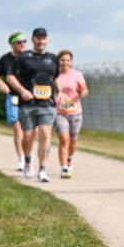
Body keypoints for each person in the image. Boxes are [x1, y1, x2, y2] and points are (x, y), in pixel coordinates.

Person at [6, 28, 59, 183]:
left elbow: (56, 79)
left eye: (43, 38)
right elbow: (10, 77)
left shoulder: (53, 58)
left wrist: (60, 92)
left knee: (45, 134)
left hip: (48, 104)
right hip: (27, 103)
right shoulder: (23, 57)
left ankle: (43, 169)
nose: (41, 41)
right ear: (33, 40)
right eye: (38, 38)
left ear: (47, 40)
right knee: (28, 136)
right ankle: (28, 160)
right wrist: (22, 91)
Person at [0, 32, 29, 171]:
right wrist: (2, 84)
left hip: (29, 98)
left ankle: (28, 156)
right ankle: (21, 158)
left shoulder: (30, 57)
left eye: (24, 41)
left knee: (31, 130)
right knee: (17, 128)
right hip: (13, 97)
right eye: (19, 42)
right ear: (12, 44)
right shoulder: (5, 59)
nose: (23, 44)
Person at [54, 50, 89, 178]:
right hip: (59, 112)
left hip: (75, 112)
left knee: (73, 141)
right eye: (62, 60)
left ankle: (69, 158)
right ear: (58, 61)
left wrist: (83, 92)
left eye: (68, 60)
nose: (65, 62)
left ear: (71, 61)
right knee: (64, 139)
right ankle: (64, 168)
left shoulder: (77, 74)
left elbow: (84, 88)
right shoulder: (54, 75)